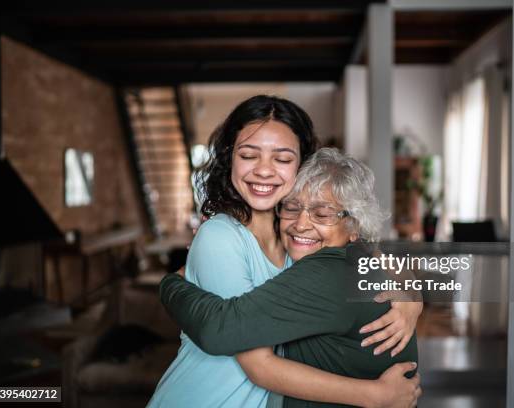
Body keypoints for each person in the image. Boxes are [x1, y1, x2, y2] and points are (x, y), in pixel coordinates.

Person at [147, 96, 422, 407]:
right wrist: (373, 395)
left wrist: (411, 294)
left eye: (282, 158)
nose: (264, 171)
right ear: (230, 159)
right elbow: (257, 363)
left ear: (301, 165)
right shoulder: (221, 236)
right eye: (249, 155)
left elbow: (374, 254)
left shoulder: (299, 242)